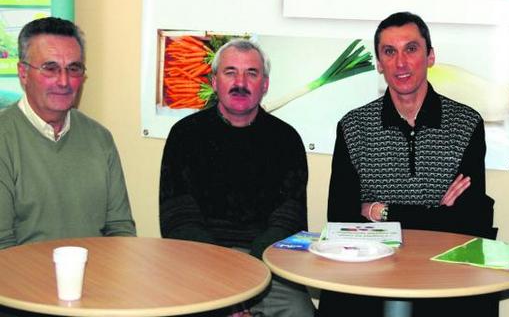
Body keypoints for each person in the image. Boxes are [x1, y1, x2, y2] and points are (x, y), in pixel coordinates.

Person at [321, 12, 497, 316]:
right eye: (389, 52)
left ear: (430, 57)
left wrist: (379, 210)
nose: (401, 63)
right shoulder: (353, 127)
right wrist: (436, 213)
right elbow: (341, 220)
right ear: (379, 63)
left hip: (444, 270)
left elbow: (470, 221)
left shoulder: (466, 124)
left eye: (411, 49)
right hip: (370, 270)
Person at [159, 38, 314, 317]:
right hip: (200, 263)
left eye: (251, 73)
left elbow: (289, 220)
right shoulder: (185, 135)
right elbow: (177, 219)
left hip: (266, 264)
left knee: (299, 311)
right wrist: (225, 280)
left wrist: (247, 279)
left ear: (264, 85)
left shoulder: (286, 140)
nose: (240, 82)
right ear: (215, 81)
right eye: (230, 72)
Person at [0, 17, 136, 250]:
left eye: (73, 69)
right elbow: (3, 245)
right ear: (23, 73)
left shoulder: (99, 138)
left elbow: (120, 228)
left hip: (95, 279)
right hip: (19, 282)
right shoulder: (5, 138)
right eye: (50, 68)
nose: (64, 81)